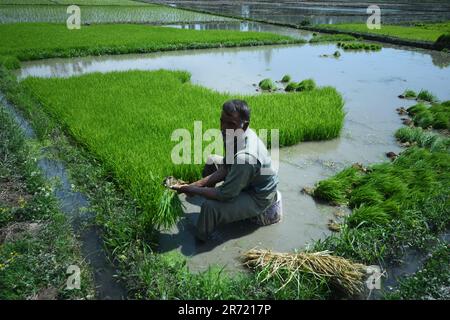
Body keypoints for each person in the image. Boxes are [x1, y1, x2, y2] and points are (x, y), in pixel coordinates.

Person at [171, 99, 281, 241]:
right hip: (247, 177)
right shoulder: (232, 134)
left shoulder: (246, 157)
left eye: (230, 124)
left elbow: (225, 195)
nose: (223, 128)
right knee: (212, 160)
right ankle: (209, 198)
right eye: (222, 121)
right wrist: (196, 185)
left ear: (245, 125)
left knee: (209, 207)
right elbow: (226, 168)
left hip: (258, 196)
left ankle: (201, 239)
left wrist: (191, 190)